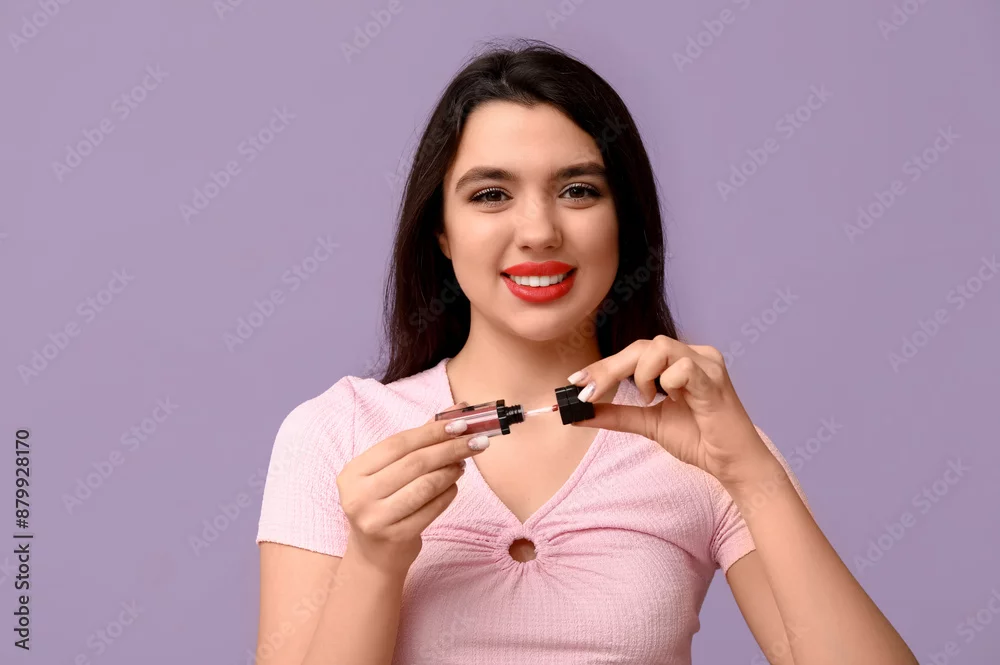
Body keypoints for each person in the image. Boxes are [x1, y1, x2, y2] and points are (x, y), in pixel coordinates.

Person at [254, 38, 917, 665]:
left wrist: (750, 472)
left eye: (578, 190)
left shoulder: (707, 444)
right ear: (442, 231)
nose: (539, 231)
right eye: (491, 195)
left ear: (623, 221)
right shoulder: (337, 434)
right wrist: (374, 560)